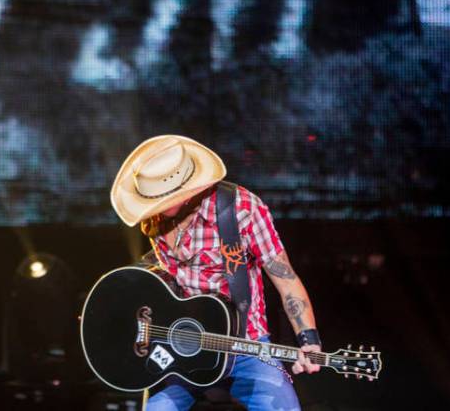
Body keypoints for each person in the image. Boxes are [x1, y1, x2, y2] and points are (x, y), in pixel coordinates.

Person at [110, 135, 321, 411]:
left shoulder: (241, 209)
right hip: (181, 343)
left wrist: (309, 339)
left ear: (184, 189)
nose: (153, 210)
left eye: (160, 200)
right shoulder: (154, 219)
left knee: (282, 407)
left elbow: (286, 279)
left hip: (246, 344)